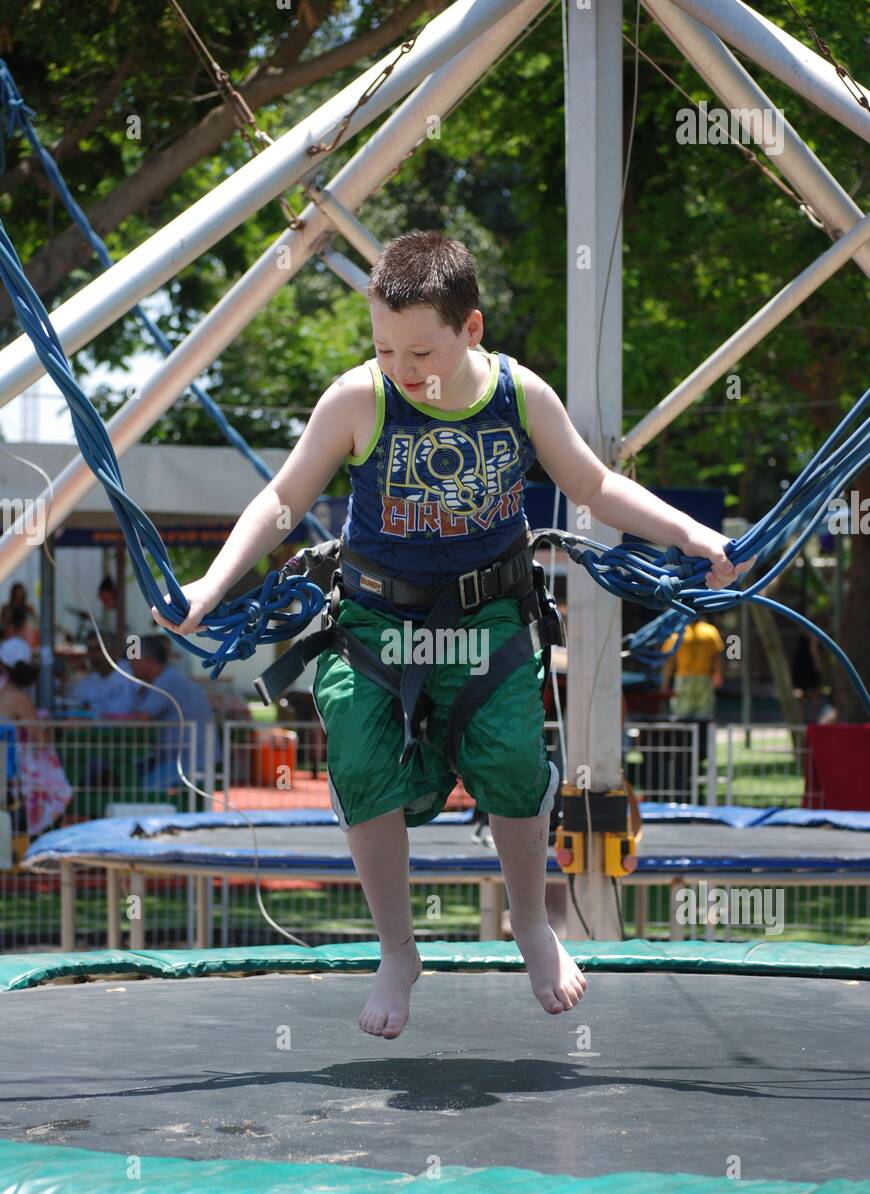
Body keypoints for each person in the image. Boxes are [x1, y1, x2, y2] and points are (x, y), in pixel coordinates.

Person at [151, 230, 753, 1038]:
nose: (403, 367)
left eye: (422, 350)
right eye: (386, 347)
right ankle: (398, 951)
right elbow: (281, 502)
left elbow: (597, 486)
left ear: (472, 329)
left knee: (509, 759)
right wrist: (209, 586)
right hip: (376, 621)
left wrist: (694, 538)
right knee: (362, 762)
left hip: (489, 619)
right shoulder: (357, 399)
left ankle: (534, 927)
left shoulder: (521, 397)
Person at [0, 639, 73, 835]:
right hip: (12, 773)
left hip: (7, 770)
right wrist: (48, 725)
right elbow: (40, 741)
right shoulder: (18, 698)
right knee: (59, 787)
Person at [128, 634, 217, 791]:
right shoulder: (168, 677)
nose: (130, 664)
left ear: (148, 659)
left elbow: (141, 718)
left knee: (142, 787)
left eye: (134, 657)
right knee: (136, 771)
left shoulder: (166, 680)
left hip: (192, 761)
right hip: (185, 757)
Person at [660, 619, 725, 790]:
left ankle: (694, 754)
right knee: (694, 720)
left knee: (690, 721)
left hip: (691, 679)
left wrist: (665, 682)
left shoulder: (680, 631)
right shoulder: (708, 631)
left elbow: (669, 660)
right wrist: (717, 674)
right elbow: (717, 657)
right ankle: (693, 755)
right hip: (695, 679)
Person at [71, 635, 138, 716]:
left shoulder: (132, 673)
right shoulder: (86, 683)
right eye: (90, 650)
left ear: (113, 651)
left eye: (98, 649)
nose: (93, 655)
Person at [1, 584, 39, 650]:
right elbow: (2, 623)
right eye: (16, 594)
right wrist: (8, 617)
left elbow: (36, 621)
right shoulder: (6, 607)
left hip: (24, 634)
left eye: (19, 594)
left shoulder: (28, 607)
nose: (18, 597)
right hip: (10, 632)